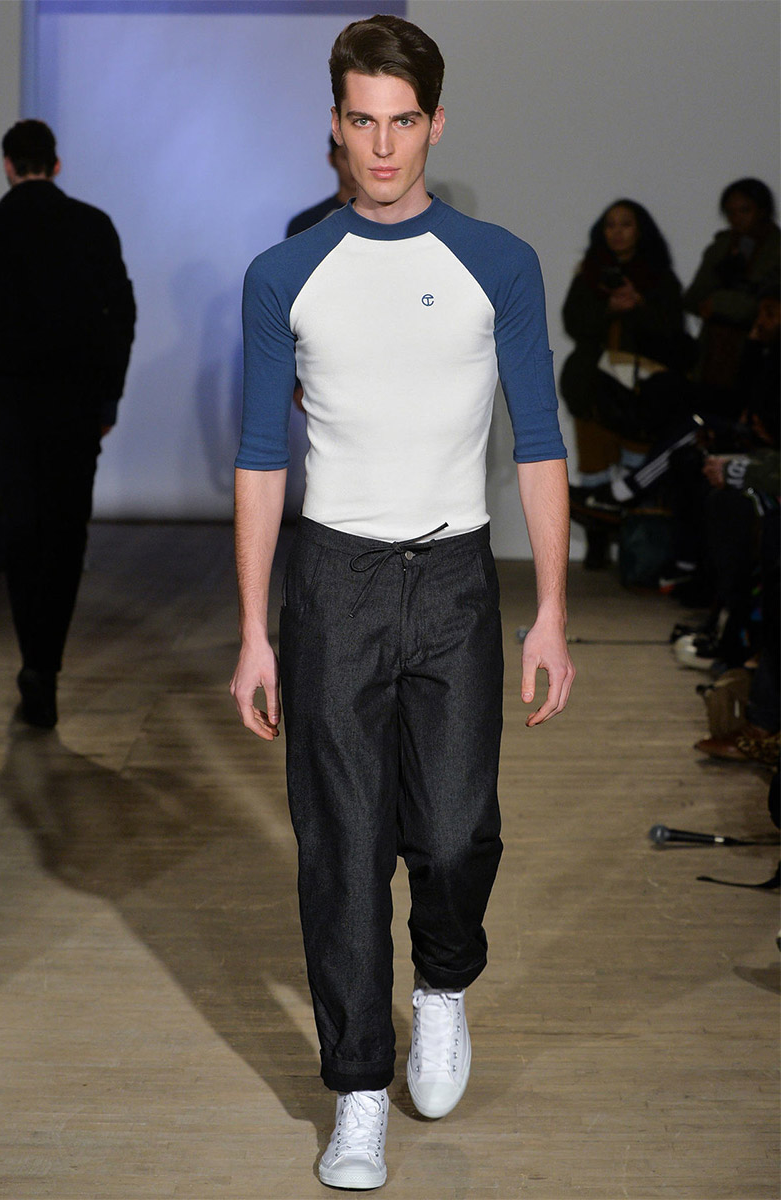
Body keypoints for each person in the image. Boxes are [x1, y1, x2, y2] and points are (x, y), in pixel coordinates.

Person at [230, 14, 574, 1191]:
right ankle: (357, 1091)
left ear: (434, 123)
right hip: (333, 583)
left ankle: (440, 982)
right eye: (360, 122)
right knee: (339, 849)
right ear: (333, 125)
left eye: (402, 122)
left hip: (457, 581)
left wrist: (550, 613)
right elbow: (259, 460)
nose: (381, 147)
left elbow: (540, 444)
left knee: (456, 829)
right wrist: (250, 632)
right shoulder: (283, 274)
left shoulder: (497, 263)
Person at [0, 120, 136, 728]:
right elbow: (121, 316)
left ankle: (34, 661)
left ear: (8, 165)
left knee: (21, 533)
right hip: (76, 407)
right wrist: (108, 399)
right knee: (66, 534)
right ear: (56, 163)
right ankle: (47, 662)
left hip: (11, 407)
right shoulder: (91, 226)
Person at [560, 200, 687, 567]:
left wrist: (639, 304)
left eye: (626, 224)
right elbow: (574, 324)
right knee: (594, 462)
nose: (617, 232)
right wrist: (609, 309)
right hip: (592, 386)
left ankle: (635, 544)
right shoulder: (589, 274)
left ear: (640, 230)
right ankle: (597, 542)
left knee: (638, 463)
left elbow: (672, 331)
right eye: (610, 225)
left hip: (641, 389)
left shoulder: (659, 277)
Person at [684, 178, 780, 419]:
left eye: (745, 210)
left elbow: (767, 308)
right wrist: (723, 272)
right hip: (711, 357)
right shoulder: (722, 246)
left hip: (758, 358)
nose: (737, 218)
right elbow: (693, 298)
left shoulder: (777, 250)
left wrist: (721, 303)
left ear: (762, 210)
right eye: (731, 212)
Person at [285, 134, 357, 238]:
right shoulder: (305, 224)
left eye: (360, 157)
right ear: (331, 159)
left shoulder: (382, 219)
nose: (353, 166)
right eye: (345, 157)